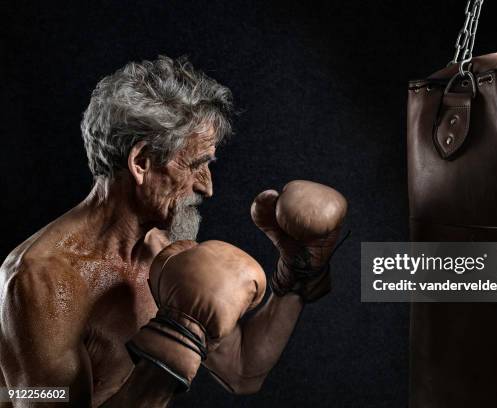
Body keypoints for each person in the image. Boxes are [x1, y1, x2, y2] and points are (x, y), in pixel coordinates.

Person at [0, 56, 346, 407]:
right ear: (141, 163)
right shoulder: (41, 282)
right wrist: (172, 352)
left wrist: (297, 272)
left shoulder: (161, 247)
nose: (207, 188)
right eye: (196, 165)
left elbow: (241, 370)